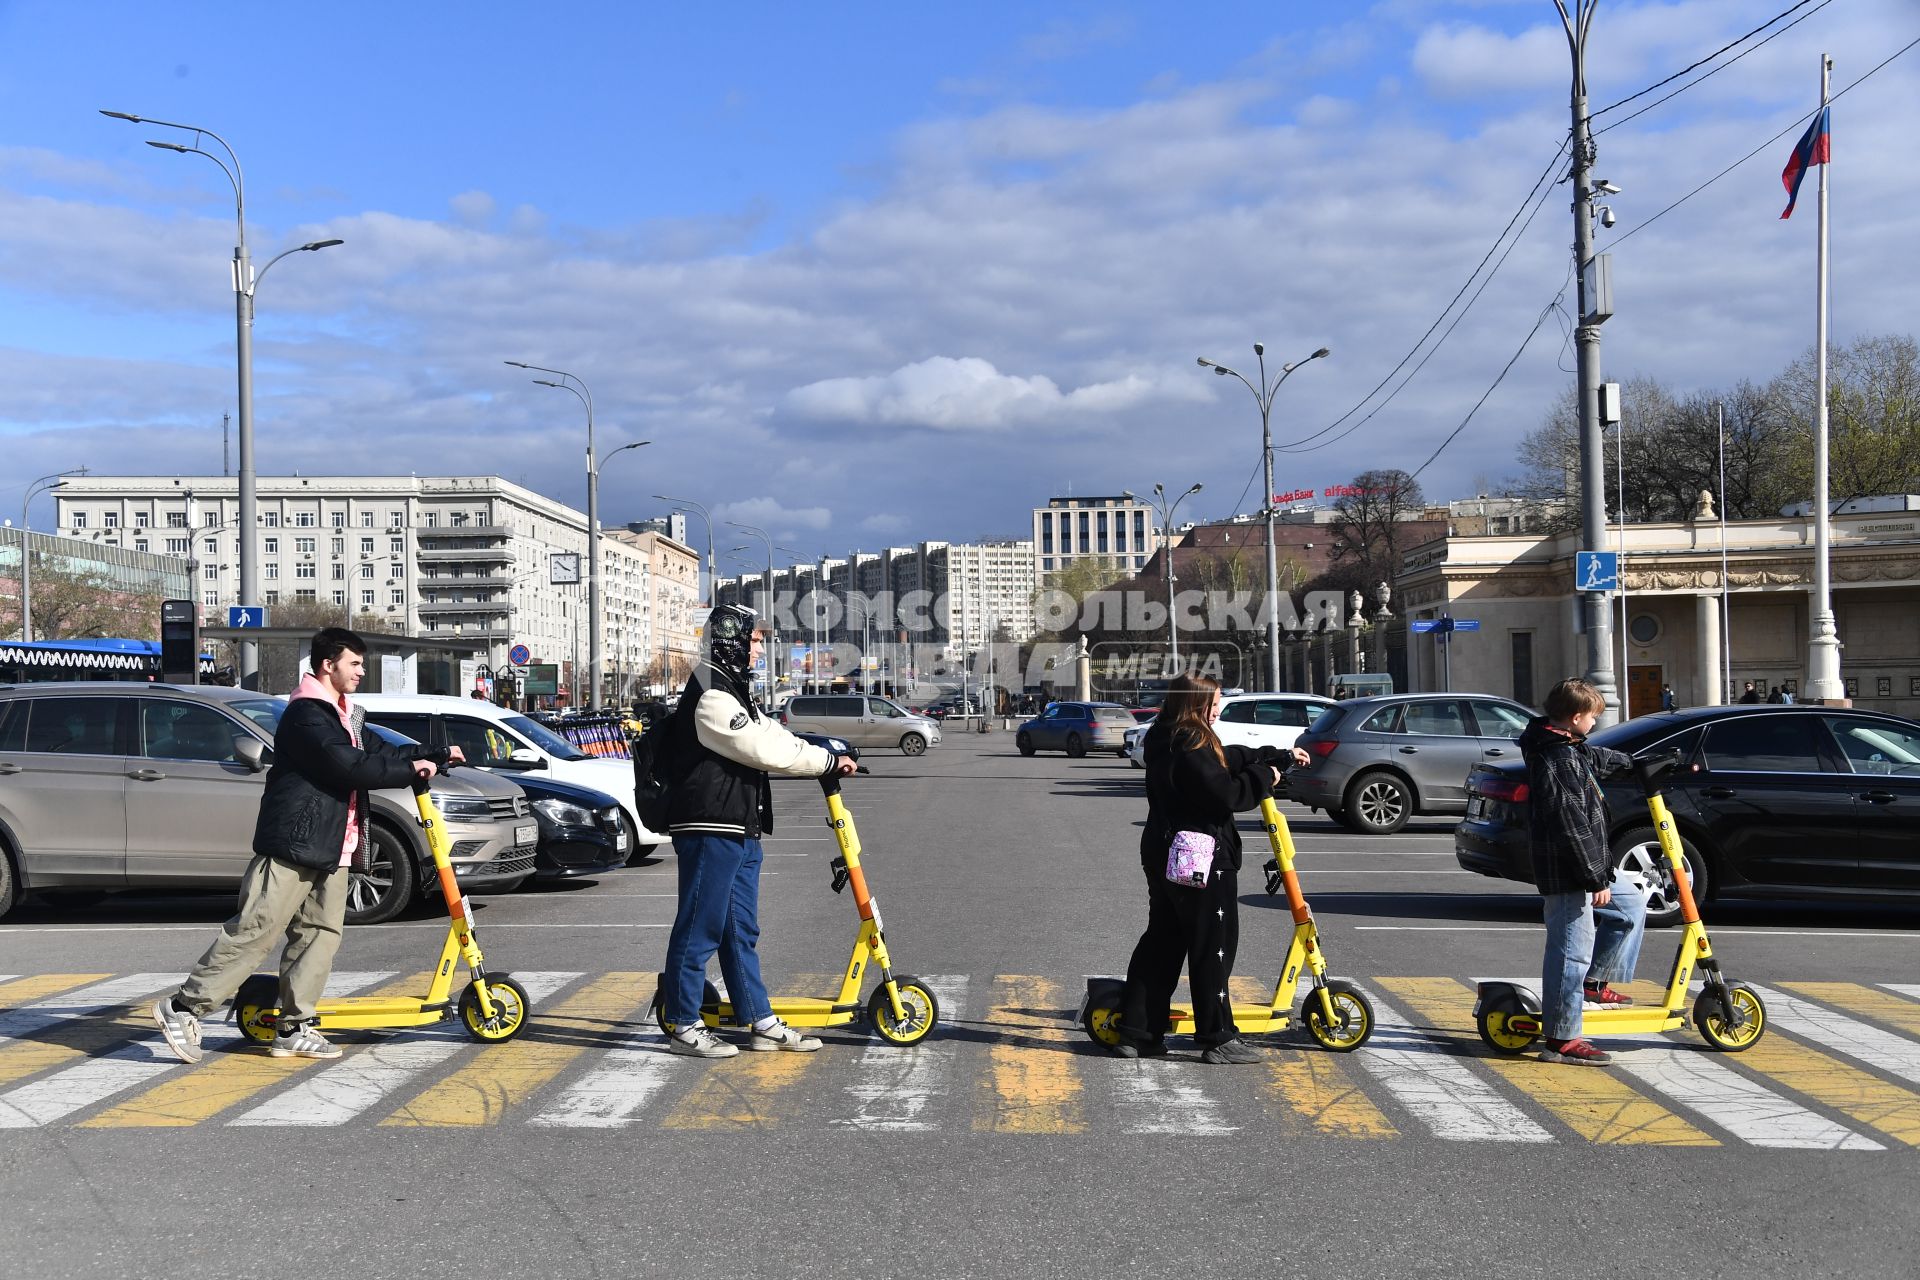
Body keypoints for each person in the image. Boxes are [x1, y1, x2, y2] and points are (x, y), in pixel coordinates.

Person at [152, 628, 456, 1064]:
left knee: (319, 936)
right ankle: (183, 1007)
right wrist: (411, 771)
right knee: (257, 931)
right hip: (294, 844)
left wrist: (435, 754)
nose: (360, 671)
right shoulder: (307, 714)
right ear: (328, 664)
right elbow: (349, 765)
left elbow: (379, 749)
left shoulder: (344, 714)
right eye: (354, 663)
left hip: (334, 844)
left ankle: (294, 1026)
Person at [657, 604, 857, 1058]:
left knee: (739, 929)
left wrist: (823, 747)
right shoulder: (710, 694)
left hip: (738, 826)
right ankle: (684, 1024)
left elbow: (773, 733)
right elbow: (762, 747)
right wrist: (824, 762)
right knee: (700, 926)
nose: (760, 646)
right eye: (753, 639)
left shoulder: (732, 688)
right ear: (730, 641)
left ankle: (759, 1019)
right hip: (710, 825)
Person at [1113, 673, 1308, 1064]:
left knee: (1163, 941)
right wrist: (1267, 776)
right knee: (1212, 947)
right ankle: (1217, 1037)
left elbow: (1222, 759)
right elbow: (1226, 793)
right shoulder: (1193, 740)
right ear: (1193, 703)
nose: (1217, 709)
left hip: (1163, 851)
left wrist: (1272, 753)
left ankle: (1138, 1032)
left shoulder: (1165, 734)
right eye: (1213, 703)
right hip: (1201, 856)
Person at [1517, 677, 1648, 1067]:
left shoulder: (1567, 746)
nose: (1595, 724)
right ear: (1575, 718)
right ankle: (1562, 1039)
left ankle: (1593, 983)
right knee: (1570, 953)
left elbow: (1598, 760)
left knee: (1630, 908)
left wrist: (1641, 766)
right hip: (1569, 869)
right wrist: (1594, 878)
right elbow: (1570, 823)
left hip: (1589, 863)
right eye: (1593, 717)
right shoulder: (1554, 759)